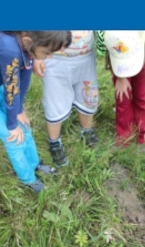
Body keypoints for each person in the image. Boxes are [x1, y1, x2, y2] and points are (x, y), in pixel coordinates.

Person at [0, 31, 72, 193]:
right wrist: (11, 124)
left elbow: (23, 74)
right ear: (27, 40)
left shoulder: (25, 45)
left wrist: (18, 110)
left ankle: (34, 164)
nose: (50, 57)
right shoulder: (9, 51)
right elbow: (12, 90)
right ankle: (27, 179)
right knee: (13, 138)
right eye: (47, 52)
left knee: (24, 126)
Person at [35, 31, 99, 168]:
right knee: (54, 102)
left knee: (88, 97)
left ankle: (87, 131)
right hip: (55, 60)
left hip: (86, 59)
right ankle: (54, 142)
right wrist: (37, 57)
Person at [96, 31, 145, 147]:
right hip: (118, 64)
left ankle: (144, 135)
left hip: (142, 63)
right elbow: (109, 53)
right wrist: (121, 78)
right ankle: (124, 137)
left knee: (142, 98)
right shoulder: (103, 33)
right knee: (122, 98)